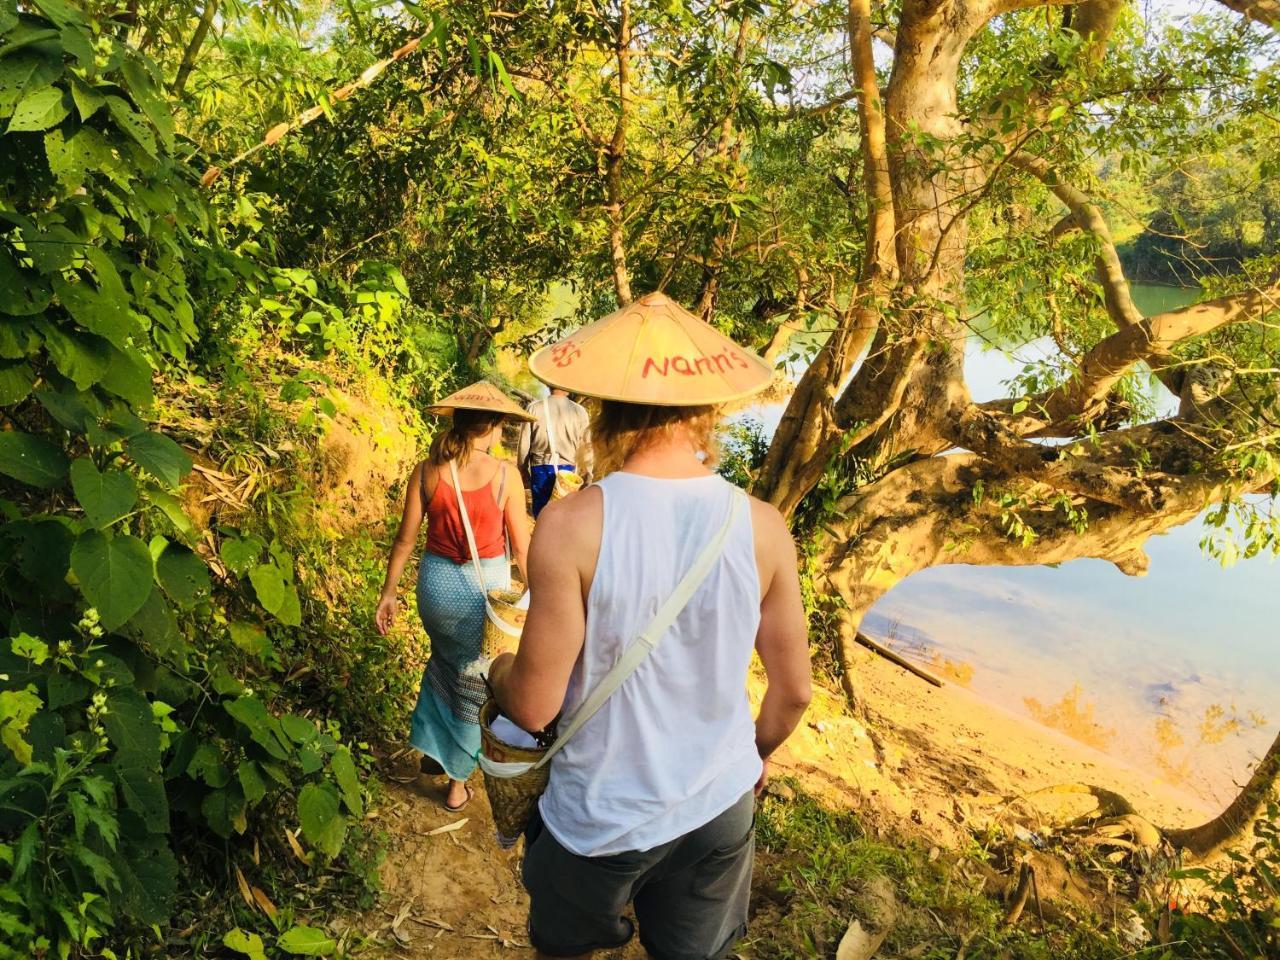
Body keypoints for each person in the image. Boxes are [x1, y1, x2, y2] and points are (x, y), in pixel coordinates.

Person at [488, 292, 812, 960]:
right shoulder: (761, 526)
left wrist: (495, 670)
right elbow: (794, 693)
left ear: (603, 411)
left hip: (601, 816)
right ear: (707, 414)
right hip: (718, 807)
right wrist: (756, 752)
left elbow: (534, 702)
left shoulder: (573, 525)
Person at [376, 381, 533, 812]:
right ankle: (457, 782)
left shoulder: (427, 470)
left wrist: (389, 593)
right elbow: (520, 551)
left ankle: (433, 746)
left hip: (435, 592)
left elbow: (405, 541)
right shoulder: (506, 476)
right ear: (495, 427)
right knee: (475, 686)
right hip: (479, 598)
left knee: (444, 666)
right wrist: (541, 599)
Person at [517, 387, 591, 517]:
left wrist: (523, 471)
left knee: (541, 518)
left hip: (540, 470)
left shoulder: (534, 408)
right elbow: (587, 447)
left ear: (548, 385)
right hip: (569, 474)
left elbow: (524, 445)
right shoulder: (580, 412)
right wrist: (588, 474)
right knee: (564, 519)